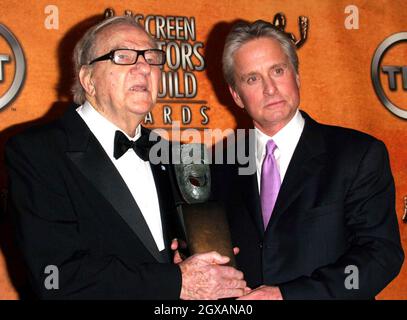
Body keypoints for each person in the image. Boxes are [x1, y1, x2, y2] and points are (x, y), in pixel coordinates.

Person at [5, 15, 248, 299]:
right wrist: (175, 281)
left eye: (152, 57)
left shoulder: (176, 155)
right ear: (88, 79)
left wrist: (196, 261)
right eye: (123, 56)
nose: (144, 67)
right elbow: (56, 277)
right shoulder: (37, 152)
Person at [213, 19, 404, 299]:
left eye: (277, 70)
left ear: (297, 76)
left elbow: (380, 256)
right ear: (236, 95)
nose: (269, 88)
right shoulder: (220, 166)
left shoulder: (357, 154)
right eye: (252, 78)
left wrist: (289, 296)